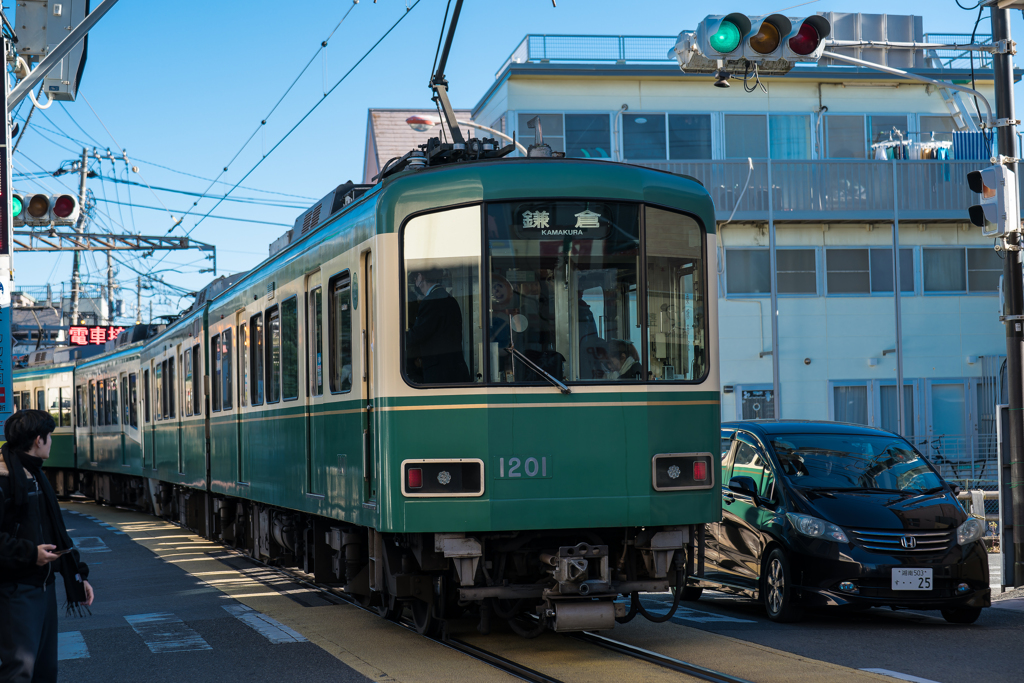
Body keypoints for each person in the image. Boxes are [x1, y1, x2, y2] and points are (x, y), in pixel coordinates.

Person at [0, 410, 93, 683]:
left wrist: (78, 576)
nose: (51, 441)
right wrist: (30, 554)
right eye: (49, 436)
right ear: (38, 440)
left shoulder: (35, 476)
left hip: (44, 588)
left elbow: (56, 533)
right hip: (15, 590)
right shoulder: (5, 479)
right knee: (19, 671)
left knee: (44, 671)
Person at [406, 268, 470, 383]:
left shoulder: (431, 301)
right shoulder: (450, 299)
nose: (416, 283)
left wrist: (395, 339)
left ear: (421, 277)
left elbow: (419, 334)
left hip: (439, 372)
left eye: (415, 279)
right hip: (455, 368)